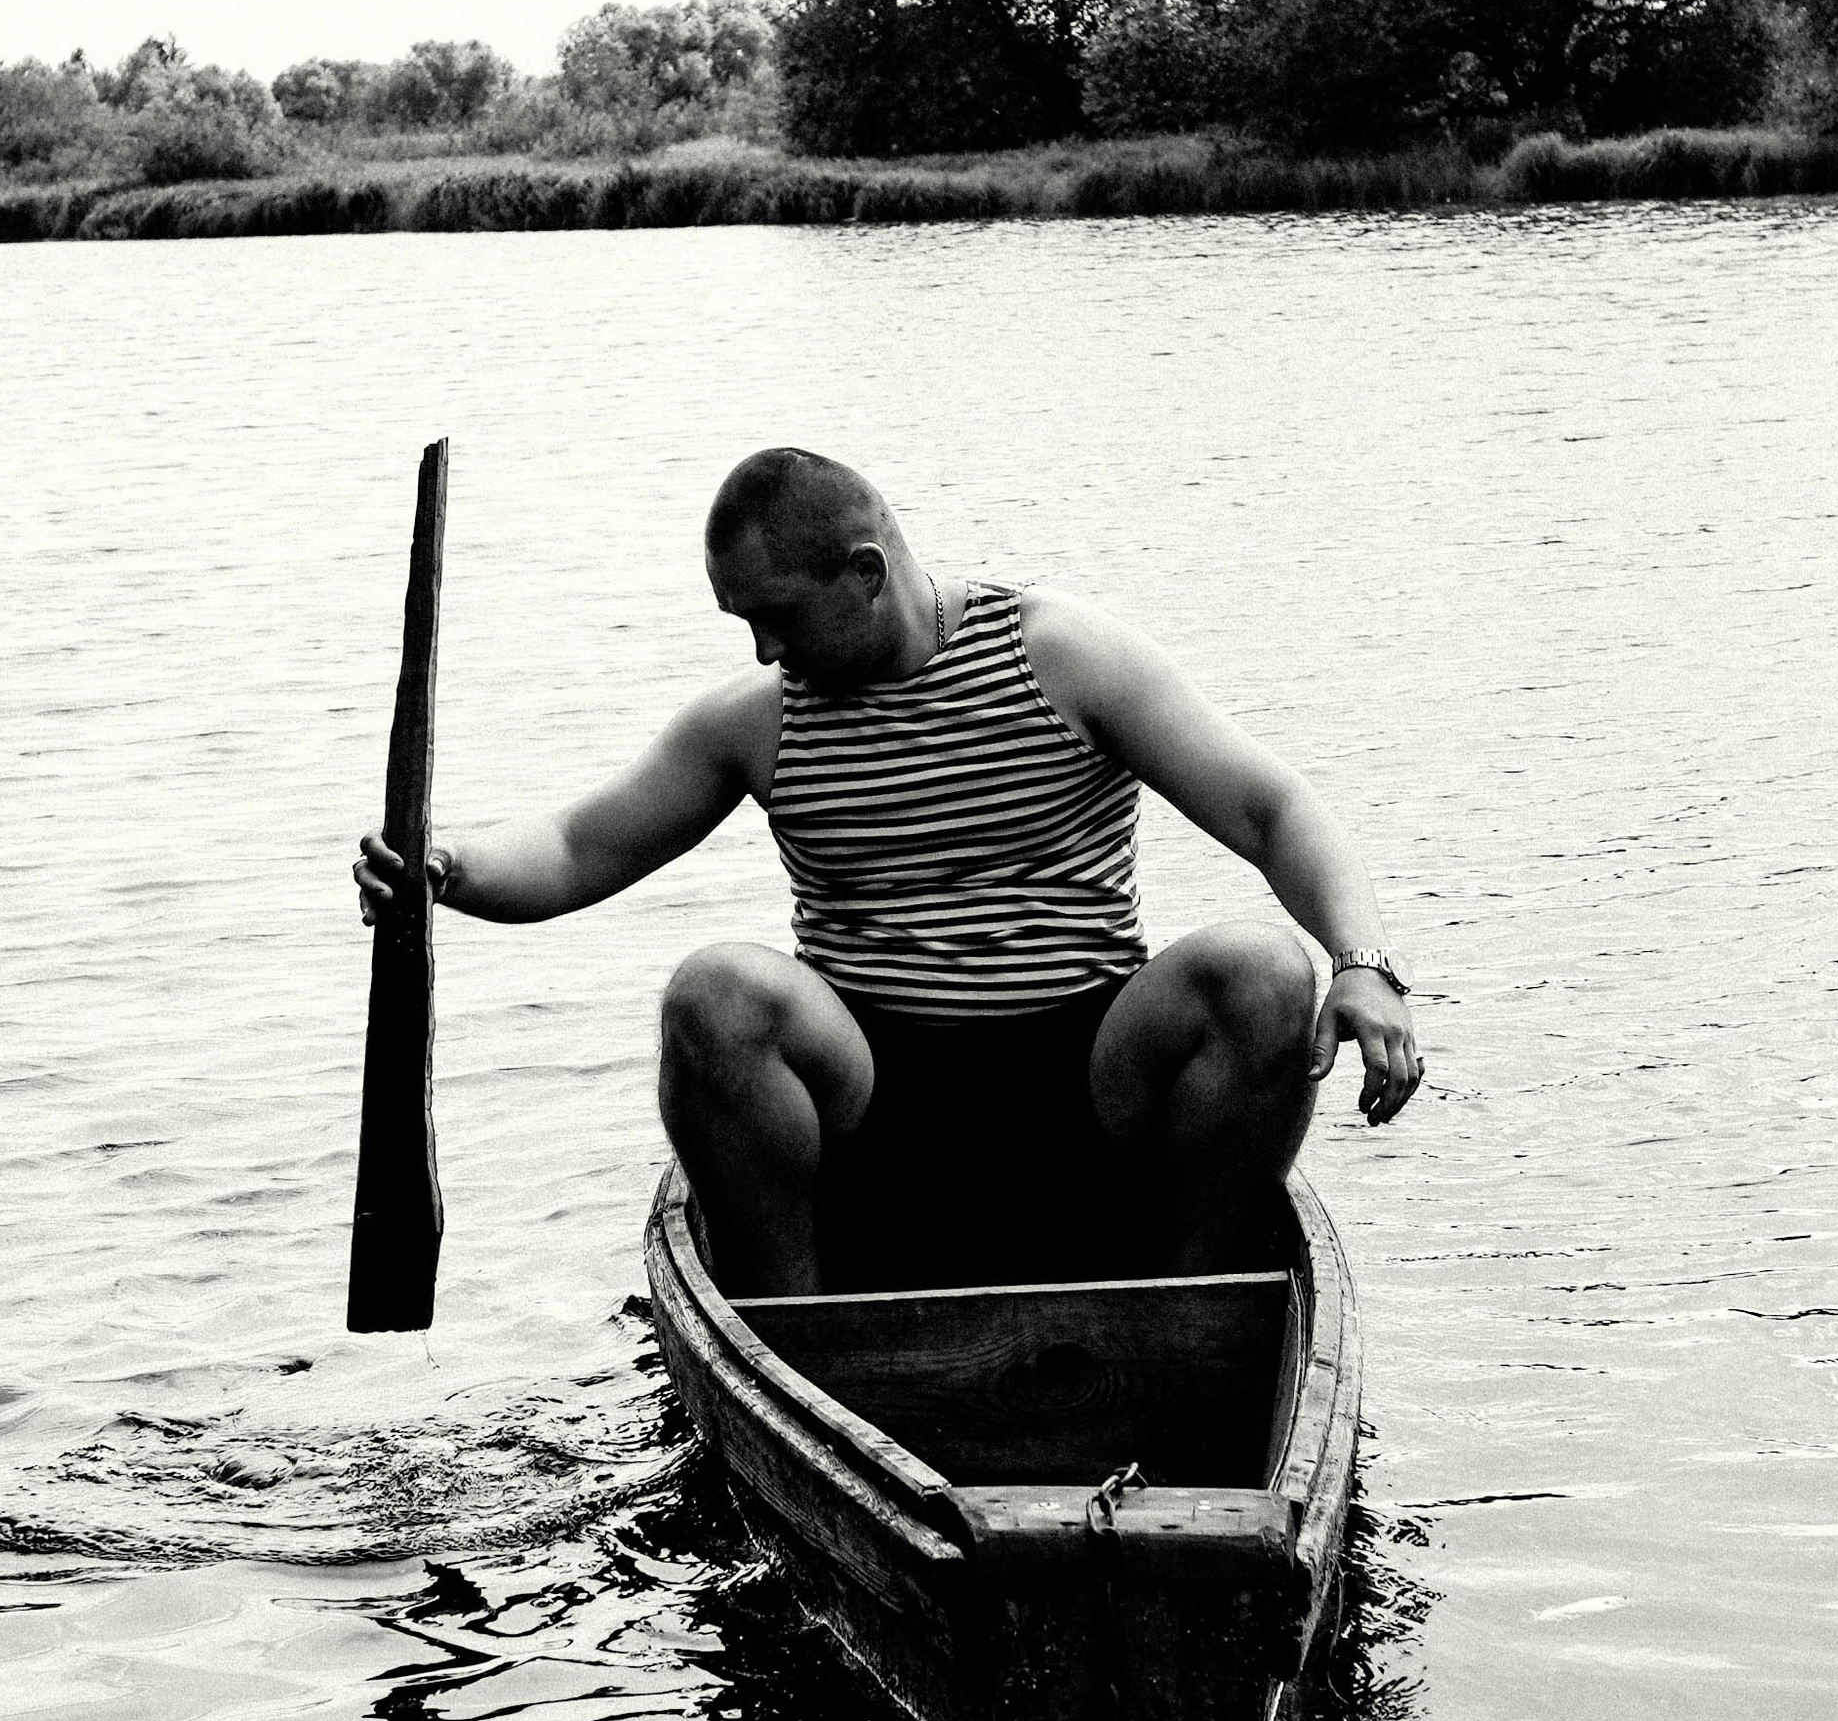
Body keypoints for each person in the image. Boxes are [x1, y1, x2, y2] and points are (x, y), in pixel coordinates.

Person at [355, 446, 1421, 1294]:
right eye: (743, 624)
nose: (764, 652)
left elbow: (1275, 809)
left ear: (865, 575)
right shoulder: (760, 722)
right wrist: (444, 867)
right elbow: (579, 847)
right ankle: (796, 1336)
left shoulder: (1061, 656)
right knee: (716, 993)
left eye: (777, 615)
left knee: (1264, 972)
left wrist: (1362, 963)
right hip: (873, 1086)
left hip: (1086, 1072)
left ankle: (1194, 1315)